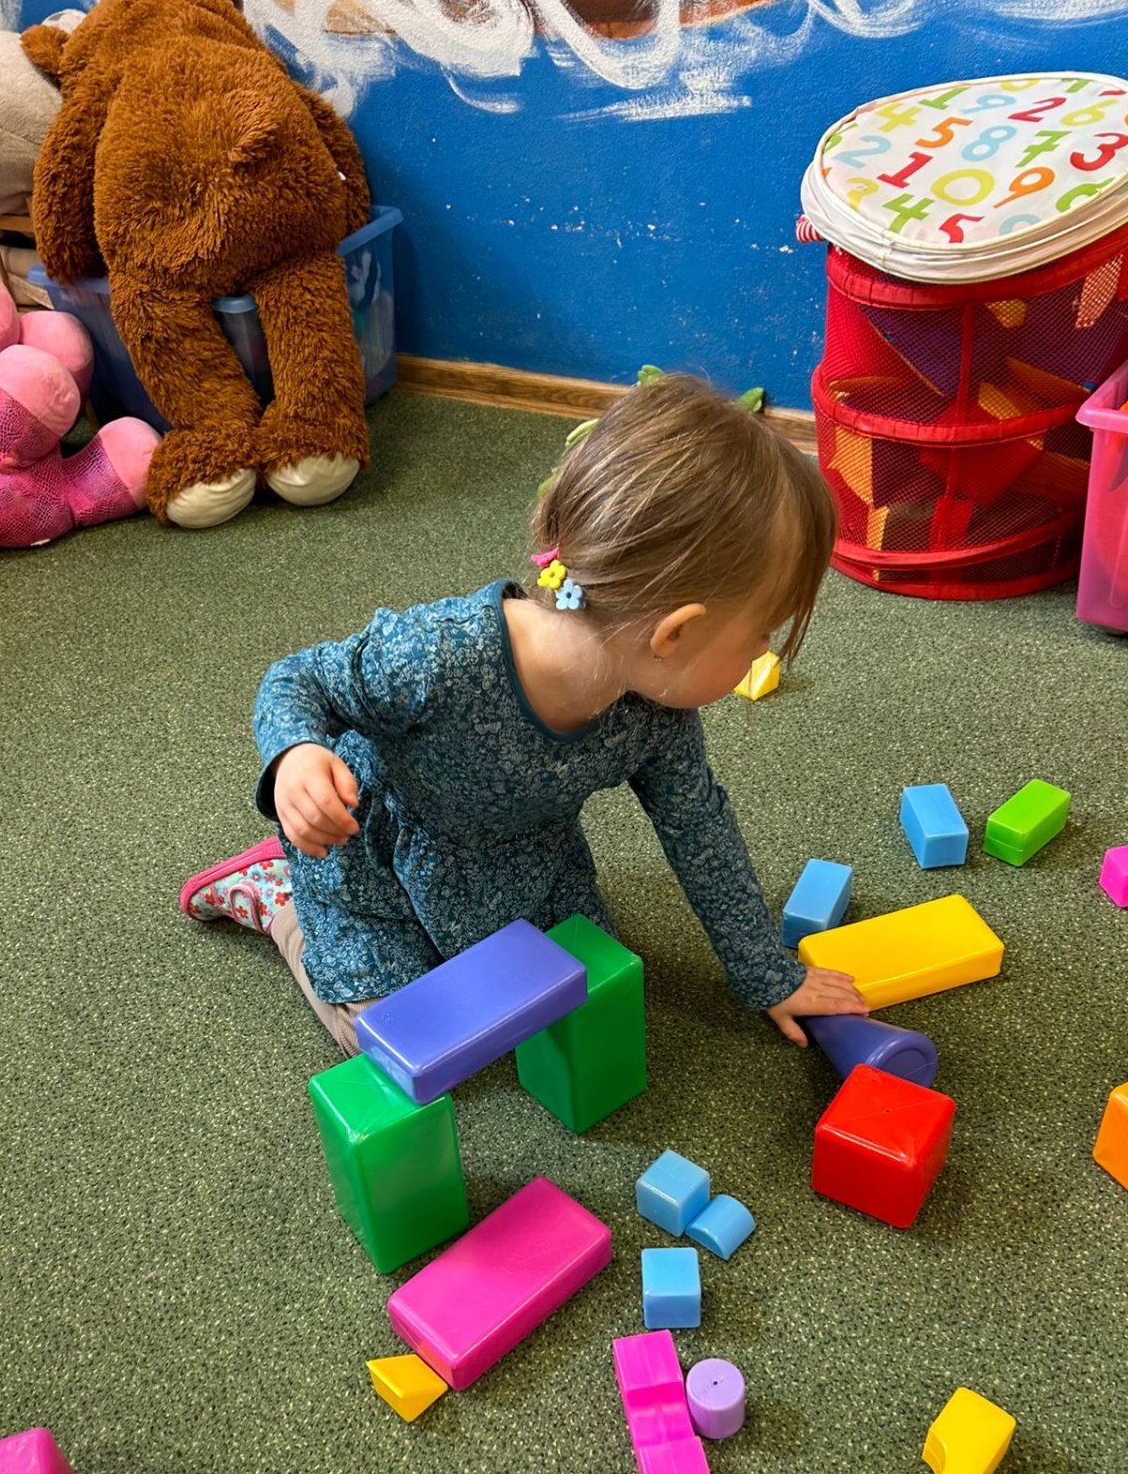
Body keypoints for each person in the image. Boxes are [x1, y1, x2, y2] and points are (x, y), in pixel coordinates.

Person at [180, 373, 867, 1055]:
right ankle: (278, 898)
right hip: (372, 857)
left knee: (579, 993)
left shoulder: (658, 715)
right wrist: (297, 755)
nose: (764, 652)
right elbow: (297, 679)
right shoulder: (439, 653)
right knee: (394, 1043)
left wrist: (767, 976)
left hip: (521, 866)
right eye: (762, 633)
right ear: (676, 633)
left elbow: (700, 831)